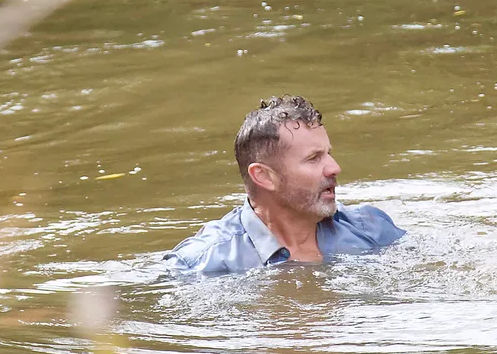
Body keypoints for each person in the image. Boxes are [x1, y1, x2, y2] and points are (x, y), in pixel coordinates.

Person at [164, 95, 405, 273]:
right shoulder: (202, 264)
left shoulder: (373, 231)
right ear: (264, 176)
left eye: (328, 153)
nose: (334, 168)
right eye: (313, 158)